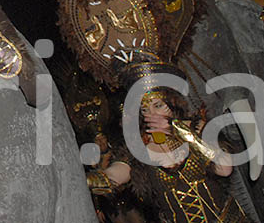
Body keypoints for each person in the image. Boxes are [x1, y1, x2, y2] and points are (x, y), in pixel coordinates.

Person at [88, 85, 248, 223]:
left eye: (157, 105)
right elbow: (115, 175)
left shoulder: (197, 127)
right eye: (145, 109)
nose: (152, 114)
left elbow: (225, 168)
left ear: (172, 103)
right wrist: (88, 180)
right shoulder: (139, 148)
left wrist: (180, 130)